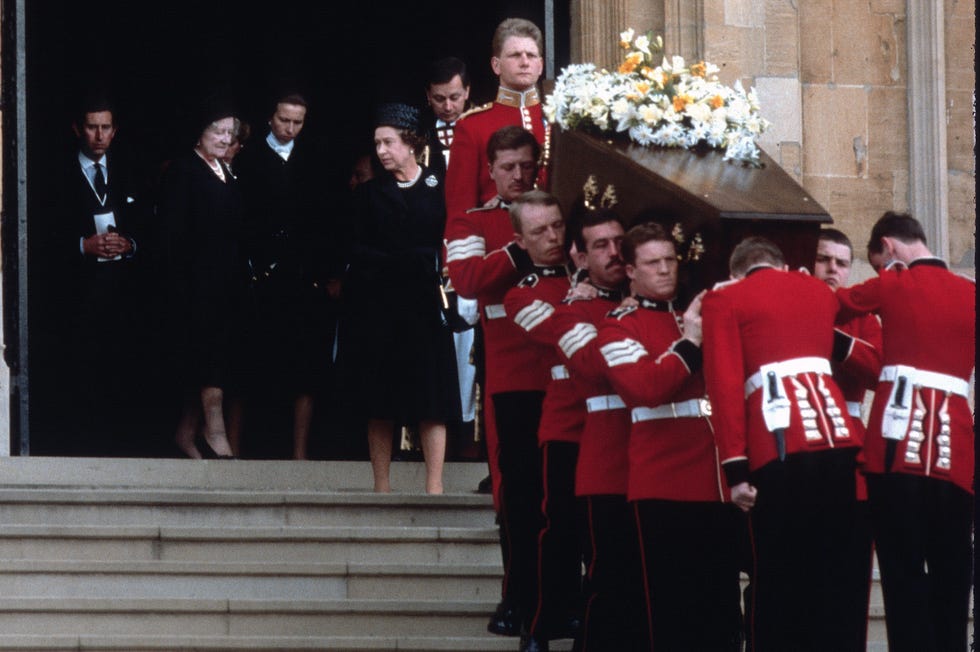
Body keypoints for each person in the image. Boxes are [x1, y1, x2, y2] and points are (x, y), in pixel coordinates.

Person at [701, 236, 865, 651]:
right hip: (839, 444)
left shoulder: (727, 299)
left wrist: (735, 471)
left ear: (737, 272)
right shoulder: (815, 290)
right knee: (833, 576)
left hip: (777, 447)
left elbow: (723, 386)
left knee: (775, 577)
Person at [597, 222, 742, 651]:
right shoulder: (618, 326)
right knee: (670, 613)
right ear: (631, 271)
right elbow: (644, 387)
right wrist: (691, 343)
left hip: (715, 483)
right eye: (653, 263)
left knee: (719, 610)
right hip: (662, 483)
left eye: (670, 261)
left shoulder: (692, 318)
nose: (664, 271)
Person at [836, 213, 974, 652]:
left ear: (889, 250)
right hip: (956, 456)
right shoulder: (972, 294)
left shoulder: (891, 284)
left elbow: (827, 306)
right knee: (953, 578)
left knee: (902, 576)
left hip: (894, 454)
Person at [443, 125, 537, 636]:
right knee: (512, 491)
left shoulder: (557, 216)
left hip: (560, 370)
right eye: (508, 168)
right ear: (491, 171)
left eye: (528, 167)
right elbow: (468, 279)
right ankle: (516, 597)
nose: (519, 176)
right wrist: (523, 248)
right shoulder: (473, 221)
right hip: (508, 368)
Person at [338, 103, 457, 494]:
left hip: (424, 307)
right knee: (380, 400)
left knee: (431, 397)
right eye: (377, 143)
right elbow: (354, 249)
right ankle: (382, 487)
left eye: (389, 142)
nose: (382, 150)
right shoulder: (369, 194)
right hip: (381, 309)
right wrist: (400, 261)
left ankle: (435, 487)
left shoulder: (439, 188)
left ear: (412, 143)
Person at [501, 196, 593, 652]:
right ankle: (539, 622)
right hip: (560, 415)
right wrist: (580, 296)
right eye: (540, 232)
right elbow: (560, 333)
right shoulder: (522, 292)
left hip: (604, 416)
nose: (554, 238)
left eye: (558, 226)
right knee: (553, 526)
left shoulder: (599, 280)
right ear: (520, 240)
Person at [547, 209, 639, 651]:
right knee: (607, 579)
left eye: (620, 241)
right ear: (579, 257)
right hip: (600, 458)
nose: (615, 252)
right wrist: (621, 319)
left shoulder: (655, 304)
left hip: (649, 462)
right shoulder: (570, 311)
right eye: (600, 245)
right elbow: (589, 366)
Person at [38, 95, 144, 455]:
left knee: (121, 375)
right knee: (77, 377)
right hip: (73, 300)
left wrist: (129, 243)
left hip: (122, 298)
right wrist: (82, 246)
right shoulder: (54, 173)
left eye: (105, 128)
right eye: (91, 127)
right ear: (77, 129)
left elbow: (152, 225)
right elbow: (36, 235)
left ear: (115, 131)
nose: (98, 135)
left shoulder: (129, 169)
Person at [235, 93, 326, 460]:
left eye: (298, 122)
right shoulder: (249, 158)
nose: (290, 129)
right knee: (250, 361)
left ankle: (299, 454)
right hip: (259, 276)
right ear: (270, 117)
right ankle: (236, 448)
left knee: (303, 367)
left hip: (300, 277)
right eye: (284, 120)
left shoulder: (312, 158)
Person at [159, 100, 246, 460]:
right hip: (196, 286)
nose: (225, 139)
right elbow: (172, 236)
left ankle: (186, 433)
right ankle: (215, 431)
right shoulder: (184, 170)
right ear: (200, 132)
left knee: (217, 357)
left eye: (230, 132)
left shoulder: (223, 171)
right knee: (206, 359)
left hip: (224, 284)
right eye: (218, 131)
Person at [813, 227, 883, 650]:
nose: (833, 270)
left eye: (841, 263)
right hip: (794, 450)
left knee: (848, 574)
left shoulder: (860, 316)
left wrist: (837, 339)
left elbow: (878, 367)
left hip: (848, 449)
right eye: (824, 260)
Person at [444, 17, 549, 222]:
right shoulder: (471, 126)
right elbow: (460, 210)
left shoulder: (560, 118)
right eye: (515, 55)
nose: (525, 62)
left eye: (531, 55)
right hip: (497, 244)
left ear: (541, 65)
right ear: (496, 65)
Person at [423, 56, 471, 178]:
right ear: (428, 95)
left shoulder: (483, 123)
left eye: (454, 98)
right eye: (439, 99)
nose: (448, 107)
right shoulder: (417, 129)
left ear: (467, 92)